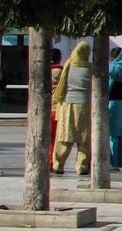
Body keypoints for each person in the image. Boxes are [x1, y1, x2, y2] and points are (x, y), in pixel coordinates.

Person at [52, 40, 92, 176]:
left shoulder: (69, 64)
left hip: (68, 105)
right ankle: (82, 166)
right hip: (85, 106)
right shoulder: (91, 68)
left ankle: (58, 165)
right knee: (84, 139)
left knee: (64, 137)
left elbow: (62, 84)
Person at [49, 49, 63, 158]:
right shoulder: (62, 72)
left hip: (46, 109)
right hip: (58, 108)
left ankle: (46, 159)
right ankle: (54, 160)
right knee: (56, 138)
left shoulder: (44, 71)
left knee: (46, 137)